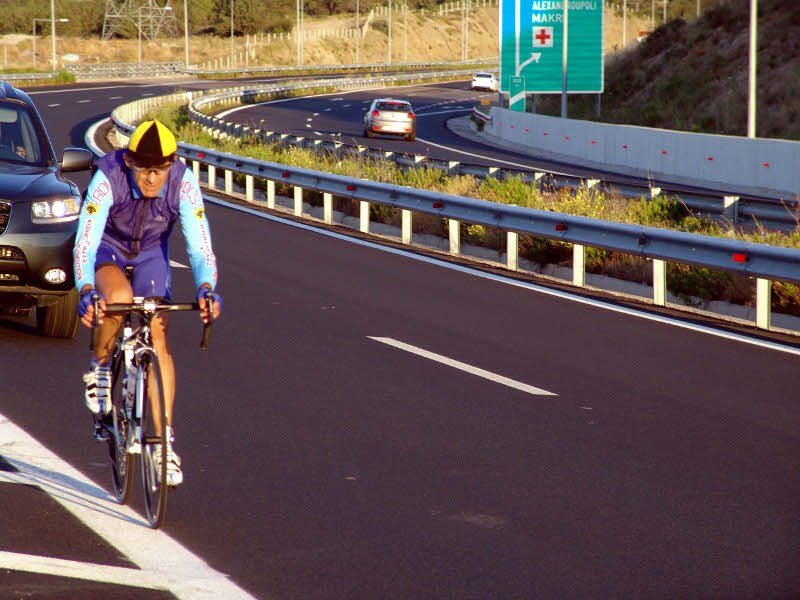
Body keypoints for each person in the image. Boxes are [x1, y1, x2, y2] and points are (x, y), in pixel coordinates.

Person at [73, 119, 221, 487]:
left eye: (161, 170)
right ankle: (101, 365)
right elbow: (85, 243)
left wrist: (206, 287)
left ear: (171, 164)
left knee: (157, 329)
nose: (153, 178)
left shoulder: (184, 182)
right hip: (108, 249)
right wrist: (87, 288)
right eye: (144, 169)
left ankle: (164, 443)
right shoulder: (107, 176)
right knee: (119, 298)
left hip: (151, 253)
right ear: (129, 161)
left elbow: (200, 246)